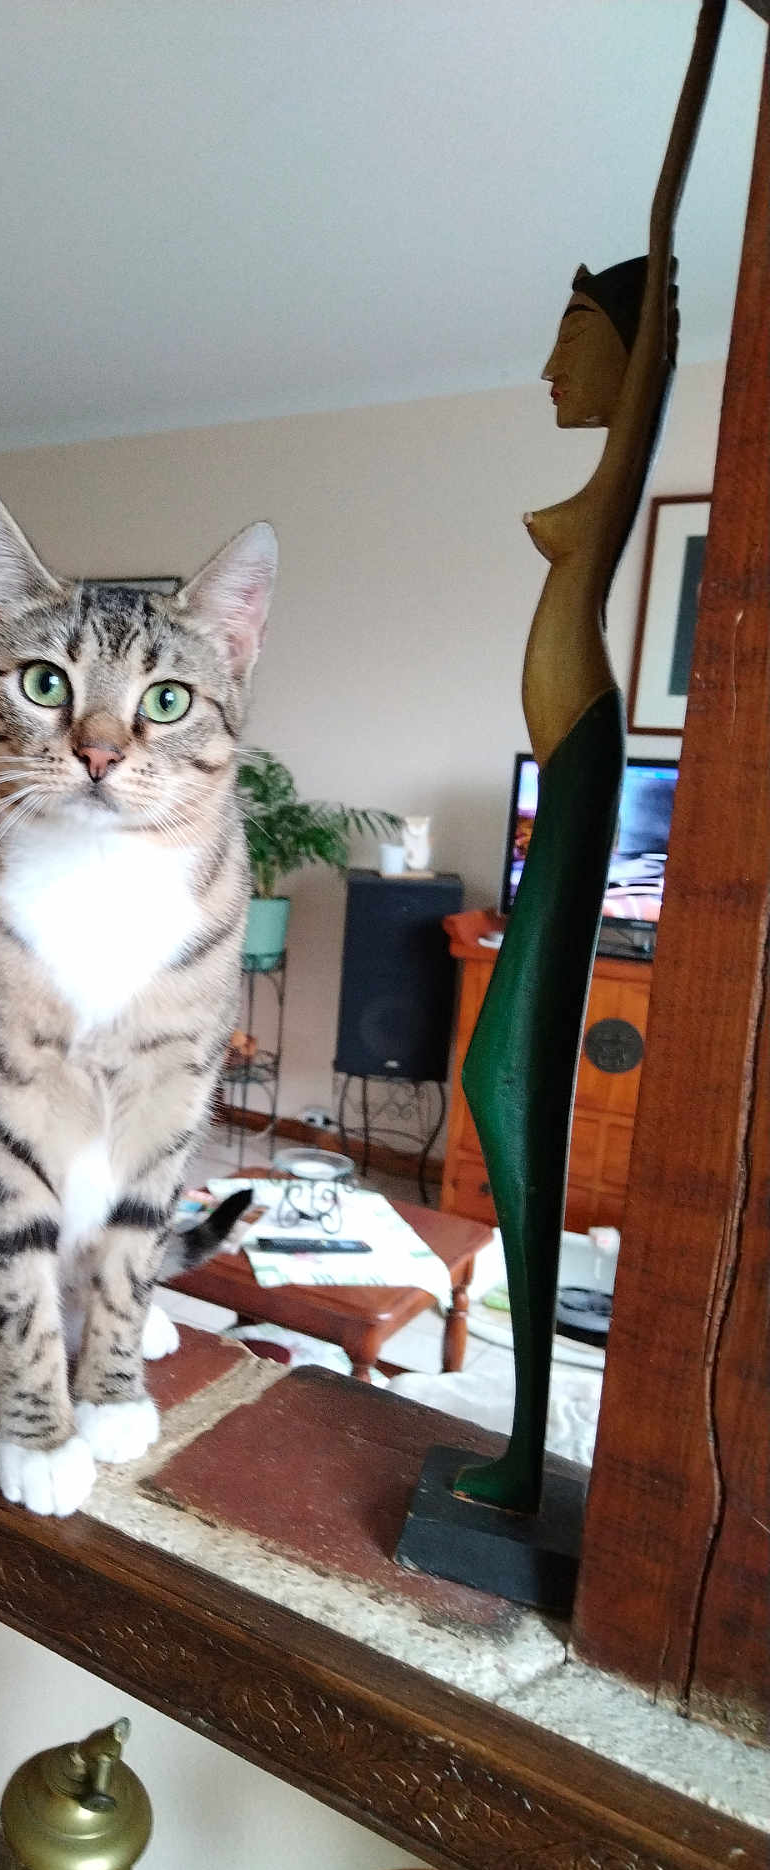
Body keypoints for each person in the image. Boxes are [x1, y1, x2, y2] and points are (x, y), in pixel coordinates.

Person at [456, 0, 723, 1513]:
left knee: (510, 1069)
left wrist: (666, 218)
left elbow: (656, 278)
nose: (552, 379)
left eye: (576, 349)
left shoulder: (619, 463)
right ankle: (519, 1430)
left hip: (584, 771)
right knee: (518, 1072)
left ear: (631, 363)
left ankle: (527, 1420)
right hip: (568, 772)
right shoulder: (593, 468)